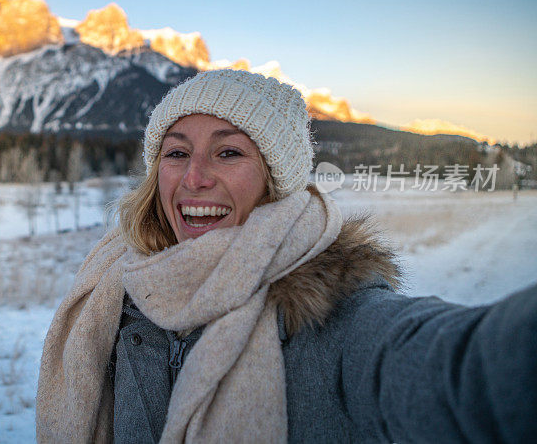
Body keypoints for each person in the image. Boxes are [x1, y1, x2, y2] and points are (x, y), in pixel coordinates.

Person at [36, 69, 536, 443]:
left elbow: (456, 371)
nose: (194, 178)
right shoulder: (121, 298)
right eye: (176, 152)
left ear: (276, 180)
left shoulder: (333, 317)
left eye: (228, 152)